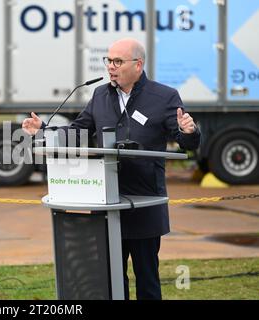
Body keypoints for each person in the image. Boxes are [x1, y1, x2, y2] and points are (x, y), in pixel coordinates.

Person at [22, 38, 201, 300]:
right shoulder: (100, 95)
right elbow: (78, 131)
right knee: (110, 281)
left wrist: (189, 131)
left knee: (147, 280)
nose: (110, 67)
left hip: (143, 203)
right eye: (109, 61)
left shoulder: (164, 97)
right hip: (106, 202)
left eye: (118, 61)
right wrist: (44, 131)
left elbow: (186, 141)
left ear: (138, 65)